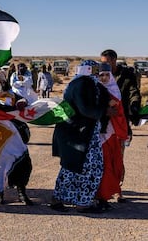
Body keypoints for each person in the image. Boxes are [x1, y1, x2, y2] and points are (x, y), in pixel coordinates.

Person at [50, 60, 111, 213]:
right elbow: (86, 109)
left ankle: (60, 199)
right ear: (89, 69)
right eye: (95, 69)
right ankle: (83, 203)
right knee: (91, 167)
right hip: (79, 133)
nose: (98, 72)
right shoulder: (83, 84)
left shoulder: (80, 82)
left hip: (79, 133)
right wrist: (105, 111)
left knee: (73, 167)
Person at [0, 70, 33, 206]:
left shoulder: (12, 95)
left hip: (16, 136)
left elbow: (23, 100)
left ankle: (22, 192)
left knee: (24, 162)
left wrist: (22, 102)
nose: (1, 83)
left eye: (3, 80)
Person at [100, 49, 141, 202]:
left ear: (114, 60)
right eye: (102, 62)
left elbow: (133, 92)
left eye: (107, 62)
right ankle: (102, 189)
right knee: (102, 157)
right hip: (102, 122)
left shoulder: (126, 75)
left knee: (118, 156)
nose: (104, 65)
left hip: (120, 122)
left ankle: (117, 189)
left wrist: (135, 105)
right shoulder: (99, 75)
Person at [96, 63, 128, 210]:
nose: (103, 78)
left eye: (106, 75)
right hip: (97, 132)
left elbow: (115, 110)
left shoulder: (114, 90)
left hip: (110, 133)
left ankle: (105, 195)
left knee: (109, 164)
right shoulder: (95, 88)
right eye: (101, 75)